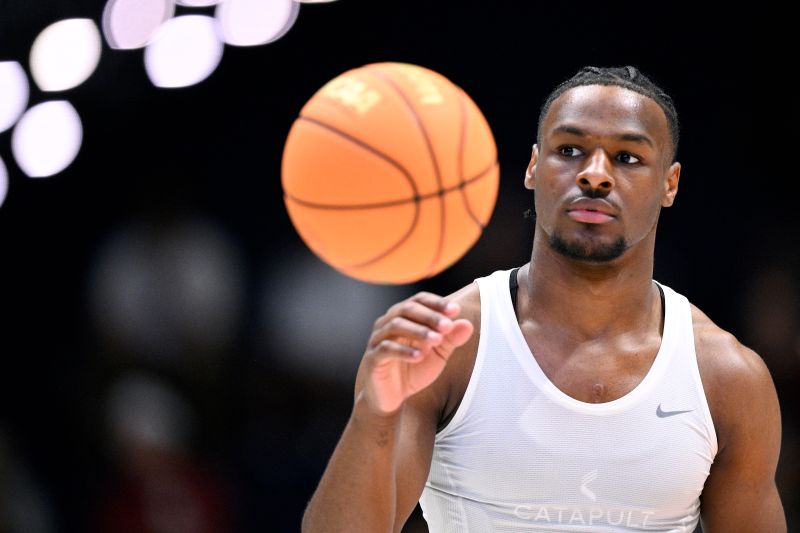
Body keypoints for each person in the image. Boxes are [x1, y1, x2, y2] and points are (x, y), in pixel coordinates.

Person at [301, 66, 786, 532]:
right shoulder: (449, 346)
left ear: (670, 183)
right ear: (534, 167)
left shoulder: (726, 377)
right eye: (570, 150)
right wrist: (373, 415)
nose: (595, 175)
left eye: (628, 157)